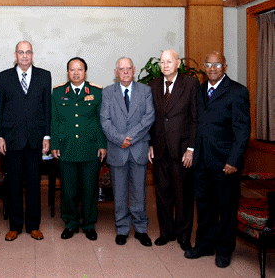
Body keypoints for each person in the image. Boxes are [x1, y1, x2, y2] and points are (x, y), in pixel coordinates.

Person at [185, 51, 251, 268]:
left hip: (225, 163)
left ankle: (224, 250)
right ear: (204, 67)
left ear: (225, 67)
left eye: (217, 65)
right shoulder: (201, 90)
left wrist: (233, 160)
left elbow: (242, 130)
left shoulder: (237, 91)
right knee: (204, 206)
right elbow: (198, 124)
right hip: (202, 161)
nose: (212, 69)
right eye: (208, 65)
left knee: (227, 208)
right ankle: (204, 245)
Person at [0, 41, 51, 241]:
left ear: (32, 54)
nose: (25, 56)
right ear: (15, 54)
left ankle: (34, 226)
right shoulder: (3, 77)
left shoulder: (44, 76)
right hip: (12, 139)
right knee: (14, 184)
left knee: (35, 185)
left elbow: (47, 107)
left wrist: (47, 136)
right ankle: (15, 225)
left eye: (28, 52)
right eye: (21, 52)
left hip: (36, 140)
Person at [147, 50, 199, 251]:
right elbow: (151, 119)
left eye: (169, 61)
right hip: (159, 150)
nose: (165, 65)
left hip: (182, 149)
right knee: (162, 194)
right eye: (162, 62)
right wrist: (150, 143)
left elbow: (195, 118)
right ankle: (166, 232)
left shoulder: (190, 84)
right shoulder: (152, 85)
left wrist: (191, 148)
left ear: (178, 63)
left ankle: (184, 235)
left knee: (183, 196)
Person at [100, 57, 155, 247]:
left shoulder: (145, 90)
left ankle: (141, 229)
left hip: (138, 148)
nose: (125, 72)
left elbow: (149, 117)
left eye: (128, 68)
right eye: (121, 69)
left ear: (134, 70)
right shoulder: (107, 92)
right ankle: (122, 228)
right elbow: (105, 120)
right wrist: (119, 139)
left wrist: (129, 138)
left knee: (139, 192)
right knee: (120, 193)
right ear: (116, 72)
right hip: (117, 149)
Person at [51, 57, 107, 241]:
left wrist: (102, 144)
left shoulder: (97, 92)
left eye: (80, 69)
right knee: (68, 190)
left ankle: (89, 224)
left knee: (90, 189)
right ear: (67, 72)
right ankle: (70, 223)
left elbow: (101, 121)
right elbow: (55, 120)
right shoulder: (58, 92)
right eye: (72, 69)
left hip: (90, 148)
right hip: (67, 148)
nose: (76, 73)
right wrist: (55, 145)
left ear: (85, 72)